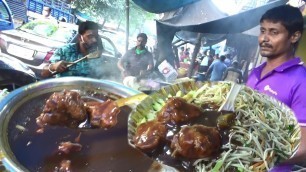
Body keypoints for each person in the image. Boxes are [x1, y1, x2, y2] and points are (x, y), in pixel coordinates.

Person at [246, 5, 306, 170]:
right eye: (263, 31)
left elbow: (303, 147)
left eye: (274, 32)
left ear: (294, 36)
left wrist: (255, 160)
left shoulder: (301, 81)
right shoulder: (255, 73)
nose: (264, 38)